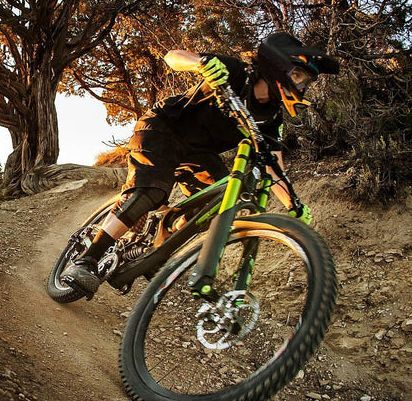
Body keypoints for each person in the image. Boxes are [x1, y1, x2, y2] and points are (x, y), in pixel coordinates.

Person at [61, 32, 340, 297]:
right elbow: (172, 56)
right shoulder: (236, 72)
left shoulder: (271, 117)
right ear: (278, 64)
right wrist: (202, 62)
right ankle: (87, 259)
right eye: (299, 74)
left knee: (215, 207)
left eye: (307, 81)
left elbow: (273, 167)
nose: (303, 86)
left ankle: (155, 244)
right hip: (162, 128)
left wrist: (293, 204)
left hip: (199, 154)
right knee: (151, 192)